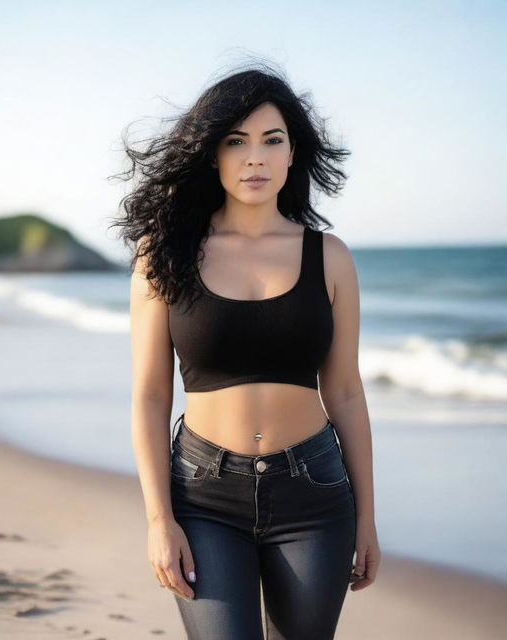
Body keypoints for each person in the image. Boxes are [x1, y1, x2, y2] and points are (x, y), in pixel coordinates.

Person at [112, 61, 380, 639]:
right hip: (203, 494)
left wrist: (368, 520)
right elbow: (150, 395)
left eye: (271, 140)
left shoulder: (330, 257)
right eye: (236, 141)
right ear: (213, 153)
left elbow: (345, 391)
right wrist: (160, 521)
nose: (254, 157)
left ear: (292, 154)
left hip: (314, 494)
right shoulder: (163, 253)